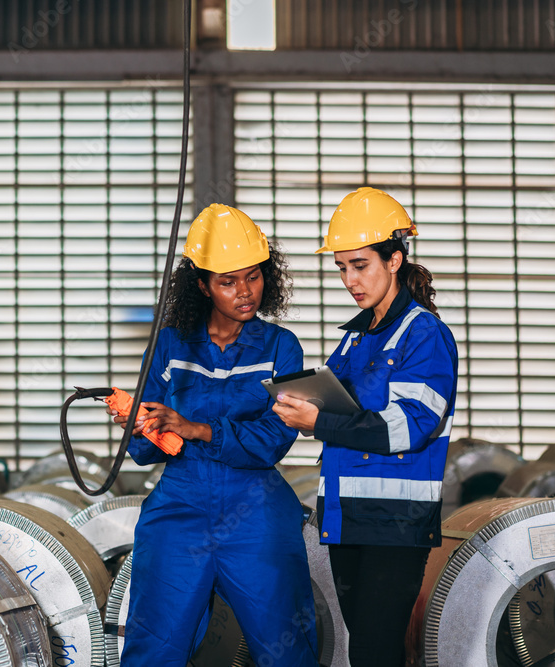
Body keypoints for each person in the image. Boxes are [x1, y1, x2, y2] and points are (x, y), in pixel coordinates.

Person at [117, 203, 318, 667]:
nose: (245, 292)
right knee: (154, 649)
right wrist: (141, 424)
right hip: (179, 506)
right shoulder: (169, 344)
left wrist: (196, 428)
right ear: (203, 285)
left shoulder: (279, 347)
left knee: (286, 650)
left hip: (256, 510)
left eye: (253, 276)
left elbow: (273, 439)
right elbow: (144, 452)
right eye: (228, 282)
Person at [272, 187, 458, 667]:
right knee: (368, 651)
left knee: (376, 651)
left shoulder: (424, 334)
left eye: (361, 265)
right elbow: (345, 406)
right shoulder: (357, 337)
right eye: (341, 267)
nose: (350, 279)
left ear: (394, 260)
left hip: (395, 523)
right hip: (348, 516)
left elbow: (410, 426)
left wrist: (320, 420)